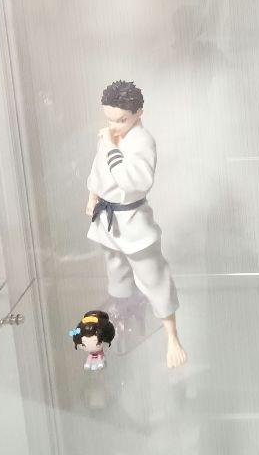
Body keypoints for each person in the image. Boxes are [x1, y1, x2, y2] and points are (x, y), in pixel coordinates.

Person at [86, 81, 186, 369]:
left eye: (121, 119)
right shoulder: (109, 136)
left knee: (153, 276)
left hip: (133, 220)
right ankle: (124, 311)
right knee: (115, 268)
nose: (114, 125)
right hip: (108, 218)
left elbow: (134, 181)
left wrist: (111, 147)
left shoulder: (142, 142)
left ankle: (172, 337)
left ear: (138, 113)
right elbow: (98, 169)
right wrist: (92, 195)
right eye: (109, 118)